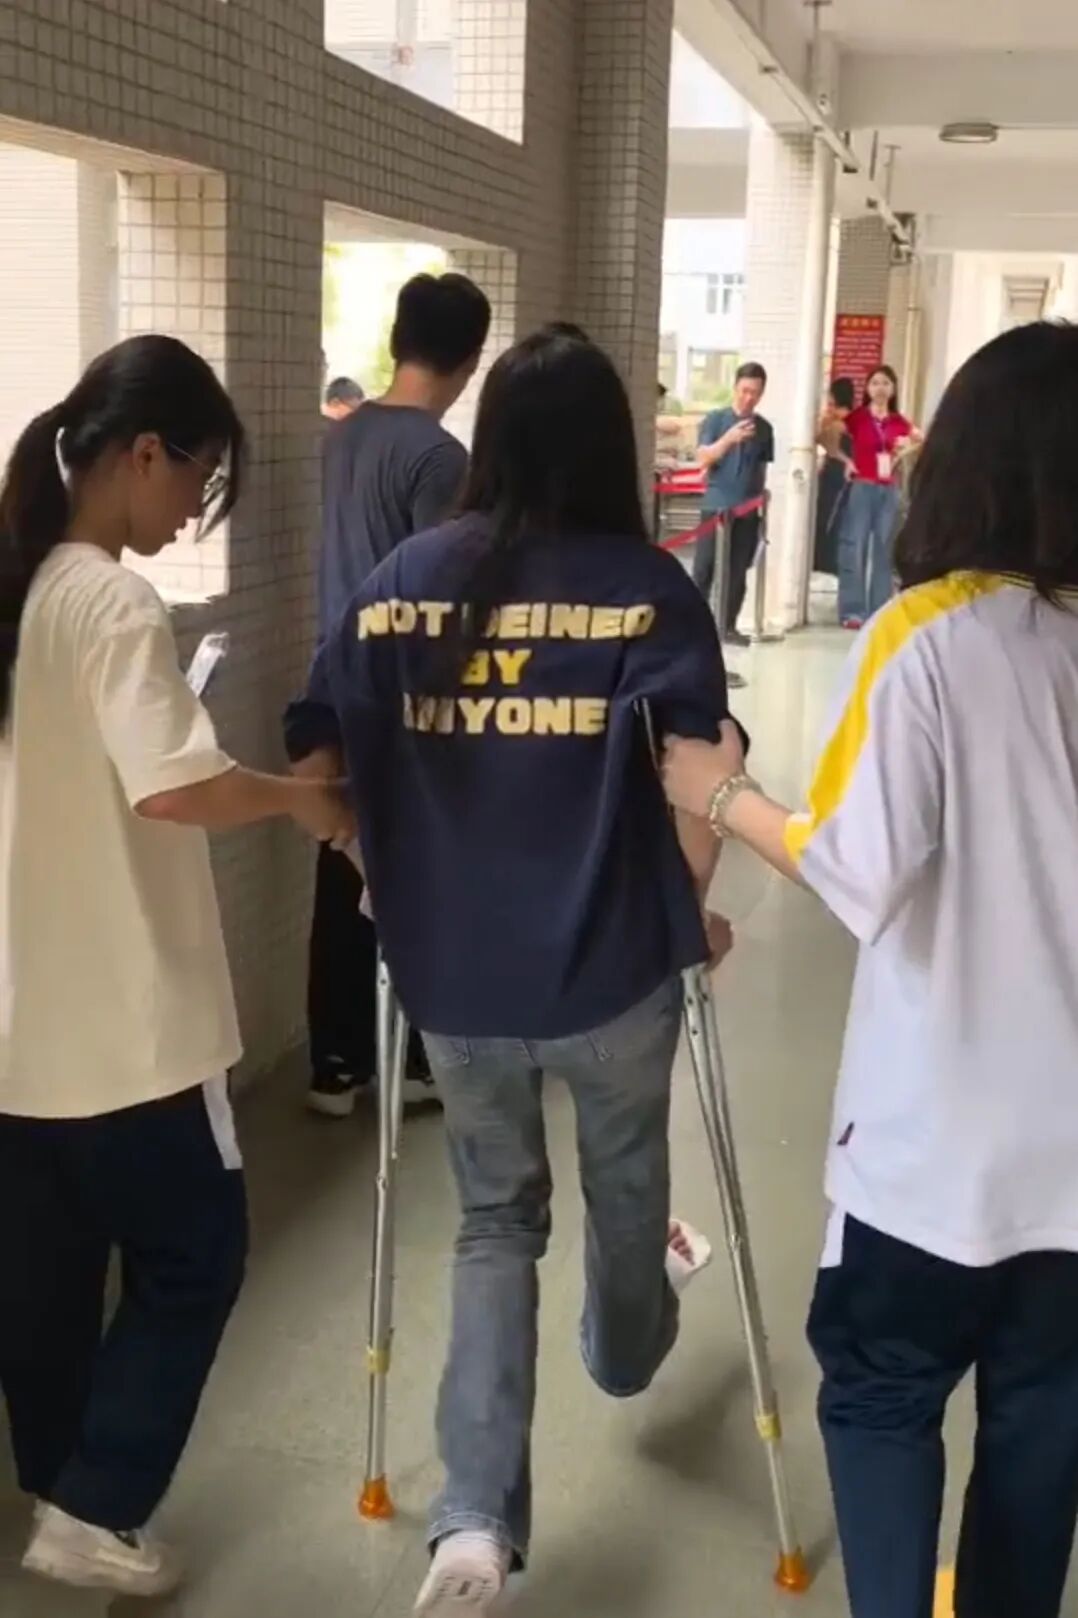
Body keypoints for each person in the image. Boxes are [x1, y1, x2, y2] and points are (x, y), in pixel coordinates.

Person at [285, 327, 738, 1617]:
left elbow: (316, 757)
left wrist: (373, 862)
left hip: (456, 989)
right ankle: (625, 1351)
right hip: (612, 975)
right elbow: (699, 774)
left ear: (489, 440)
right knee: (624, 1188)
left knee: (493, 1223)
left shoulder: (401, 584)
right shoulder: (649, 590)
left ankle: (473, 1531)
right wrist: (688, 910)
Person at [660, 319, 1078, 1618]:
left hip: (933, 1148)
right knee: (1042, 1424)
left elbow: (856, 865)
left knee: (885, 1392)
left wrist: (718, 792)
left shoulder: (927, 633)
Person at [0, 335, 350, 1599]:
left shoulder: (22, 585)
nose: (194, 509)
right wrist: (300, 800)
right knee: (197, 1251)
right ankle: (94, 1504)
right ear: (143, 452)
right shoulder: (110, 600)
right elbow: (172, 785)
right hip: (129, 1023)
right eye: (198, 478)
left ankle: (62, 1488)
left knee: (44, 1277)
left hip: (22, 1017)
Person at [305, 271, 492, 1118]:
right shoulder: (439, 458)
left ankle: (335, 1065)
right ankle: (412, 1060)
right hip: (405, 693)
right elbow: (438, 590)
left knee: (340, 863)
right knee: (414, 875)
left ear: (395, 340)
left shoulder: (343, 436)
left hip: (333, 684)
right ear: (470, 358)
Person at [693, 361, 773, 644]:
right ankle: (694, 625)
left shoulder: (764, 429)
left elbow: (762, 467)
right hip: (716, 506)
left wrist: (761, 499)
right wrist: (728, 439)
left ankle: (727, 625)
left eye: (755, 392)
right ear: (735, 387)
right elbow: (703, 457)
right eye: (744, 390)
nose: (748, 397)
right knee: (704, 568)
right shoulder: (716, 420)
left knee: (738, 570)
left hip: (747, 509)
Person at [836, 364, 920, 629]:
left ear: (893, 389)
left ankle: (879, 610)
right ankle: (852, 611)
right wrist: (845, 460)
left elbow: (923, 440)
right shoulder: (857, 418)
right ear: (868, 389)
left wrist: (904, 451)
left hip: (889, 489)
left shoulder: (899, 422)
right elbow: (825, 434)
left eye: (885, 383)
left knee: (884, 549)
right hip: (862, 486)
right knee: (855, 547)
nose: (880, 388)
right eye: (875, 383)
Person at [814, 376, 855, 578]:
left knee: (825, 516)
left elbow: (820, 439)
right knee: (838, 518)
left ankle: (823, 560)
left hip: (834, 474)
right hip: (845, 476)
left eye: (831, 402)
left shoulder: (837, 423)